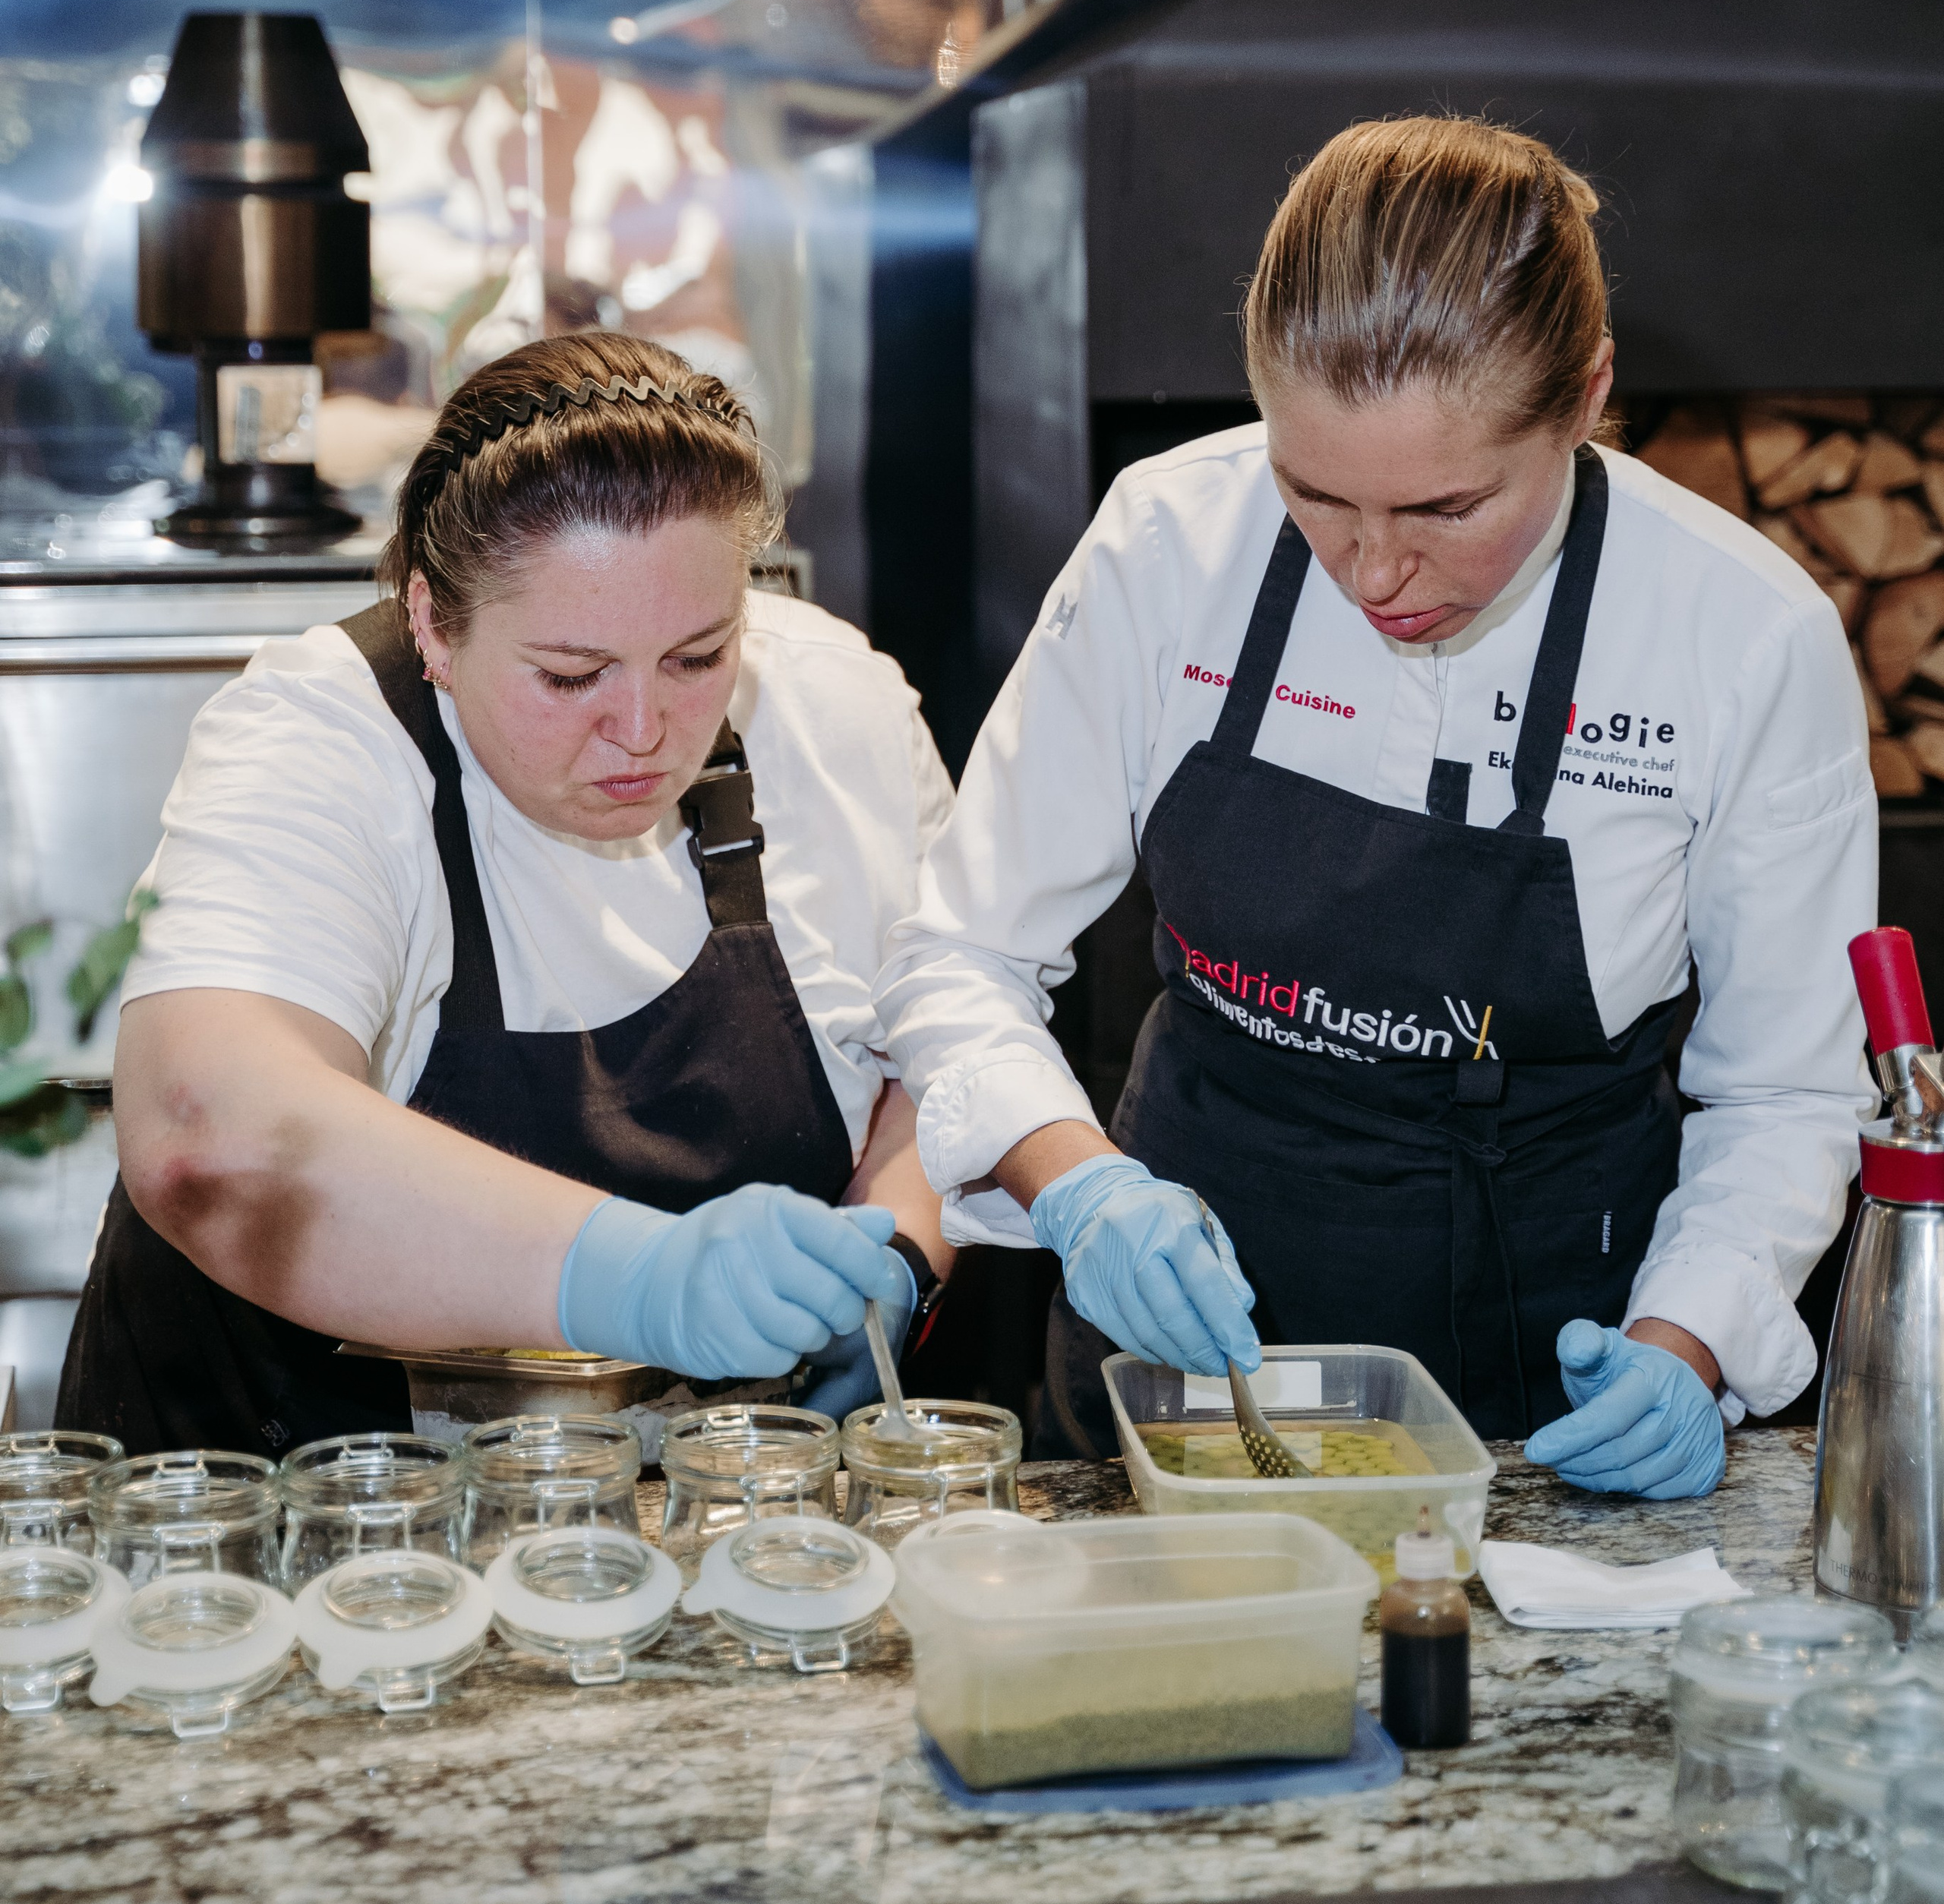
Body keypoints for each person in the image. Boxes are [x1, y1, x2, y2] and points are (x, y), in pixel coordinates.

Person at [876, 117, 1876, 1498]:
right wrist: (1083, 1186)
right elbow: (959, 952)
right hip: (1172, 1372)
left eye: (1449, 506)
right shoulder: (1169, 547)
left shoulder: (1744, 636)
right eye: (1314, 492)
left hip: (1547, 1390)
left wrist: (1684, 1342)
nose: (1376, 570)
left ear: (1585, 400)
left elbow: (1787, 1088)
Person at [61, 333, 954, 1458]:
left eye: (700, 655)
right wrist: (642, 1279)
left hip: (688, 1515)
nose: (642, 732)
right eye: (570, 676)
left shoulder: (842, 713)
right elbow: (210, 1137)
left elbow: (945, 1038)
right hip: (293, 1512)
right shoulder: (321, 742)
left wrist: (900, 1252)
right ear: (433, 623)